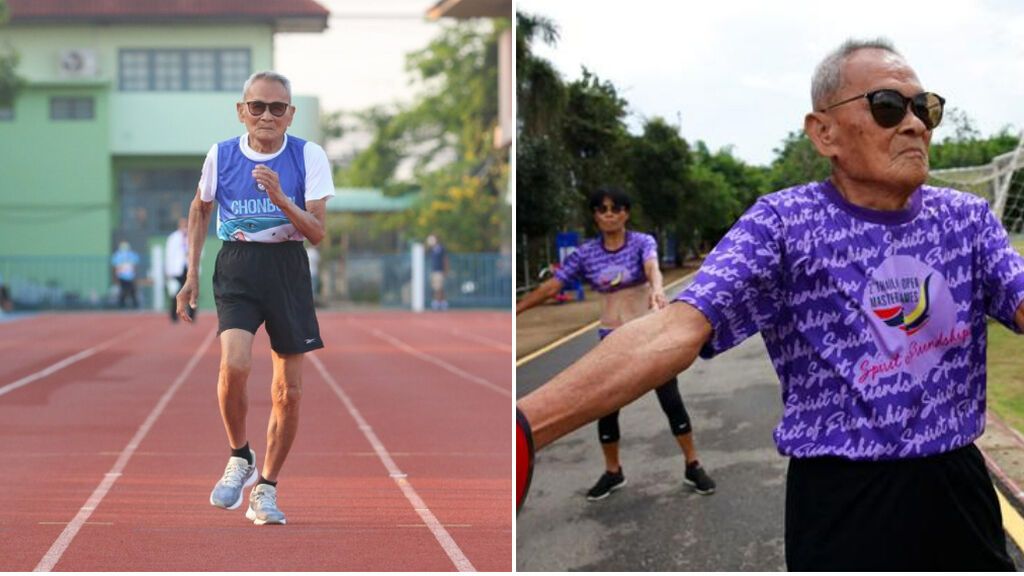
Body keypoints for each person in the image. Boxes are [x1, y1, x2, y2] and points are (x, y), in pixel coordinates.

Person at [516, 38, 1024, 570]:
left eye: (926, 108)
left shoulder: (966, 220)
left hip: (959, 489)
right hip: (842, 503)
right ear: (823, 132)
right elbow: (676, 328)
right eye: (888, 107)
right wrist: (525, 428)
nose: (916, 124)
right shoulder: (783, 226)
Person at [176, 70, 335, 526]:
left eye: (277, 107)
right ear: (242, 111)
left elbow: (318, 233)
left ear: (290, 115)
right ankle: (239, 455)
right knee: (235, 365)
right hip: (238, 266)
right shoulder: (222, 154)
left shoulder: (309, 155)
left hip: (287, 269)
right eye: (258, 106)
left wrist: (283, 199)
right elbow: (200, 207)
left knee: (289, 392)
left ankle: (265, 487)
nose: (267, 115)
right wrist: (191, 276)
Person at [517, 187, 715, 500]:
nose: (609, 214)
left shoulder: (641, 243)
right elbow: (553, 285)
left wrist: (657, 289)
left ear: (626, 213)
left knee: (671, 400)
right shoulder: (586, 253)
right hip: (610, 340)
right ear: (595, 216)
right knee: (605, 409)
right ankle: (613, 472)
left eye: (616, 208)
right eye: (602, 209)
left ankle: (693, 464)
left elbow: (653, 268)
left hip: (648, 338)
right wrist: (515, 310)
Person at [165, 217, 195, 323]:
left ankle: (192, 316)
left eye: (186, 223)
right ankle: (174, 316)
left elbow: (200, 251)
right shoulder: (173, 238)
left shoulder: (193, 235)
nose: (184, 226)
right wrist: (168, 271)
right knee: (175, 293)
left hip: (189, 269)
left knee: (191, 294)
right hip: (176, 270)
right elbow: (169, 255)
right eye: (182, 224)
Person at [111, 240, 139, 308]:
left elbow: (134, 266)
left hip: (129, 276)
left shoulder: (129, 255)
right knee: (125, 291)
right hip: (122, 276)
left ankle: (134, 305)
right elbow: (115, 267)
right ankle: (122, 305)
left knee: (132, 291)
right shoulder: (118, 255)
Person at [426, 234, 449, 310]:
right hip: (434, 271)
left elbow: (445, 259)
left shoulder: (441, 248)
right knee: (435, 287)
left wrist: (446, 270)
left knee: (439, 287)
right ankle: (437, 301)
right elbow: (424, 252)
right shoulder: (432, 249)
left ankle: (442, 302)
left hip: (440, 271)